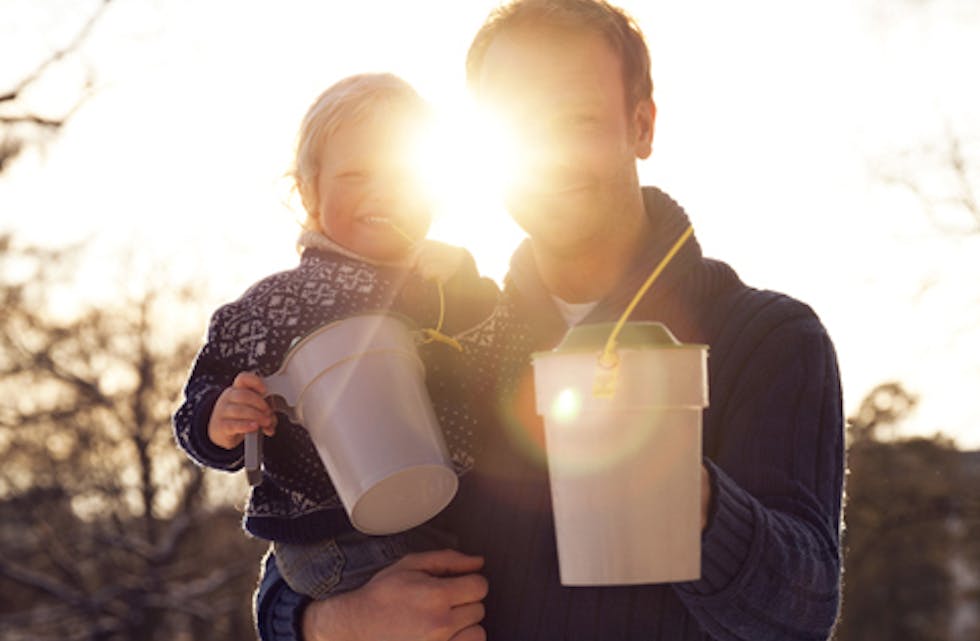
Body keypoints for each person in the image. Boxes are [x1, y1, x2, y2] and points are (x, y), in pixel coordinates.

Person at [255, 1, 845, 640]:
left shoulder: (768, 339)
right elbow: (300, 552)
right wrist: (334, 624)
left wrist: (689, 496)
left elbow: (802, 614)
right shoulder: (438, 340)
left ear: (641, 126)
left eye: (577, 120)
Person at [173, 72, 499, 603]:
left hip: (441, 513)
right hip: (331, 541)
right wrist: (222, 418)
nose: (382, 192)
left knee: (469, 603)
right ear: (309, 193)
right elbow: (194, 414)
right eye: (355, 174)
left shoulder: (446, 286)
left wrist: (471, 296)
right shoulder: (270, 307)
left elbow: (501, 368)